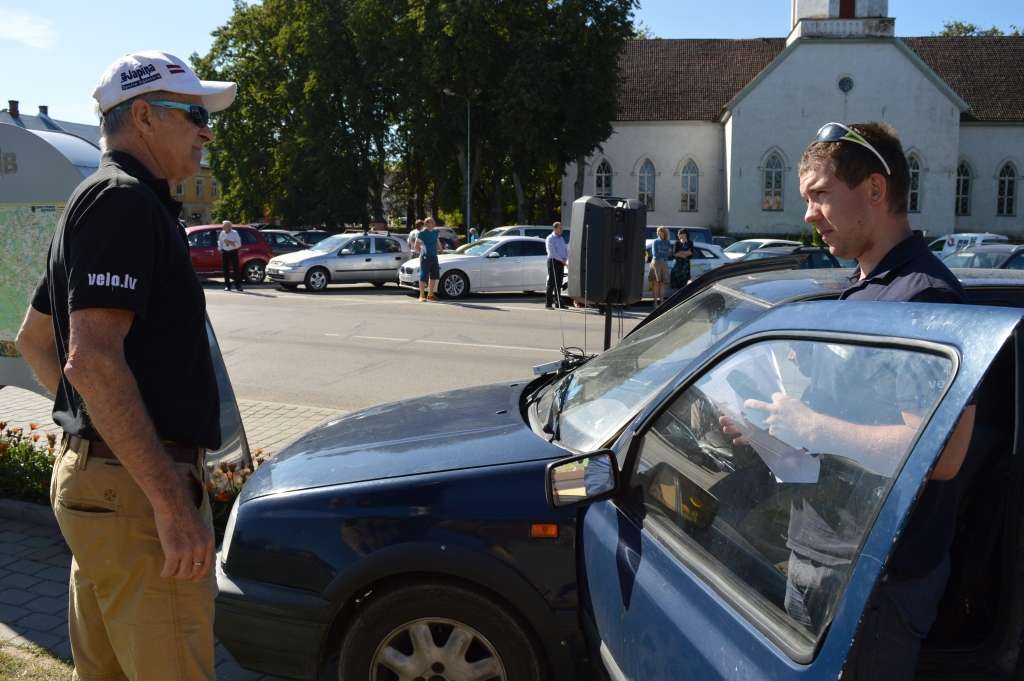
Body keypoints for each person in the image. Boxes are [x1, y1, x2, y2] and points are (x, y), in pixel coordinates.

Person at [721, 121, 975, 680]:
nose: (808, 214)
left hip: (876, 578)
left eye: (819, 194)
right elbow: (849, 417)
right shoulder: (865, 286)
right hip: (824, 552)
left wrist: (812, 426)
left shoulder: (922, 297)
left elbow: (944, 454)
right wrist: (772, 426)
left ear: (875, 191)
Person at [13, 50, 236, 681]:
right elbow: (92, 361)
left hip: (106, 487)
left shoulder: (99, 199)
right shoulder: (125, 202)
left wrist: (101, 430)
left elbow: (36, 341)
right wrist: (168, 501)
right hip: (139, 493)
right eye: (194, 113)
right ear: (143, 115)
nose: (206, 129)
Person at [417, 217, 443, 301]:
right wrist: (421, 252)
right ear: (425, 224)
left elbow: (437, 242)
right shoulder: (422, 233)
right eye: (427, 223)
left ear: (433, 224)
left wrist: (441, 249)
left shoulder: (436, 232)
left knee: (434, 276)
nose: (429, 224)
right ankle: (421, 295)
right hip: (425, 257)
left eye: (431, 223)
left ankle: (430, 295)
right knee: (424, 275)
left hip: (434, 256)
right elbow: (416, 245)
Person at [647, 226, 673, 306]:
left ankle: (661, 302)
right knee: (656, 283)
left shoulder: (667, 242)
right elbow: (655, 254)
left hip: (664, 263)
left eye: (661, 231)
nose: (660, 232)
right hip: (656, 263)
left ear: (664, 232)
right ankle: (655, 303)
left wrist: (665, 254)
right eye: (659, 231)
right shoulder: (655, 241)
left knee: (662, 284)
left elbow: (670, 253)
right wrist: (664, 254)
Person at [545, 221, 568, 309]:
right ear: (555, 228)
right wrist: (562, 261)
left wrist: (565, 258)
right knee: (551, 283)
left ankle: (558, 303)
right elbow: (552, 252)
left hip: (561, 262)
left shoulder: (561, 238)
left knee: (559, 283)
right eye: (560, 228)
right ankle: (548, 304)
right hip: (553, 261)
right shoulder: (550, 238)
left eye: (562, 228)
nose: (561, 230)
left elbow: (565, 249)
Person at [218, 219, 243, 291]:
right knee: (226, 270)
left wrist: (229, 242)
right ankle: (227, 286)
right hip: (225, 252)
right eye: (223, 226)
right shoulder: (222, 233)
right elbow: (219, 241)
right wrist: (220, 249)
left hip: (233, 252)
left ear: (229, 226)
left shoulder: (235, 233)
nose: (223, 228)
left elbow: (239, 244)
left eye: (224, 226)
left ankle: (238, 286)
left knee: (236, 269)